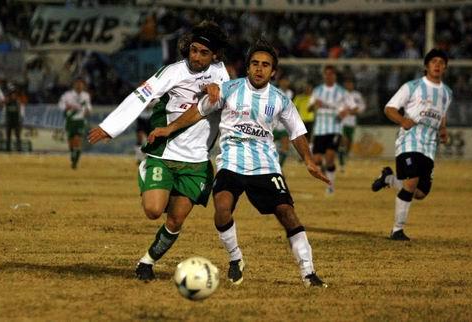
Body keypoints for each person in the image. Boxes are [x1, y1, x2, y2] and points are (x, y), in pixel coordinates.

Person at [148, 39, 330, 288]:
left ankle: (308, 272)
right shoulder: (229, 89)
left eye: (265, 65)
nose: (259, 68)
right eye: (255, 63)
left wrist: (309, 161)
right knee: (222, 208)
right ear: (247, 68)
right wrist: (169, 128)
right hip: (231, 162)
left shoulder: (280, 100)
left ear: (273, 71)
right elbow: (198, 110)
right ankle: (235, 259)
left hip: (265, 165)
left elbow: (297, 132)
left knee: (287, 213)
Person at [87, 21, 230, 281]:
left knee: (175, 221)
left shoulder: (222, 74)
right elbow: (140, 95)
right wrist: (111, 127)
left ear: (215, 55)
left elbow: (227, 105)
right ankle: (147, 169)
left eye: (203, 53)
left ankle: (146, 262)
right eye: (193, 50)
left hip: (197, 162)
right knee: (154, 210)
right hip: (164, 154)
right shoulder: (173, 72)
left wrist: (218, 97)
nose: (196, 56)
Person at [371, 49, 452, 241]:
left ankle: (389, 179)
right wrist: (402, 120)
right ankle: (397, 230)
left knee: (420, 192)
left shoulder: (447, 93)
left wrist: (443, 130)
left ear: (445, 67)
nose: (437, 65)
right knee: (411, 180)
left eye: (441, 62)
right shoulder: (412, 86)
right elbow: (389, 108)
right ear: (426, 66)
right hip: (409, 140)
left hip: (430, 146)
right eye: (434, 61)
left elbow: (442, 115)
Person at [309, 65, 350, 195]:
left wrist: (346, 111)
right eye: (326, 74)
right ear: (324, 75)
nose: (328, 76)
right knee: (316, 161)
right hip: (320, 129)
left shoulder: (342, 92)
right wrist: (314, 105)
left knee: (330, 157)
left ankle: (330, 186)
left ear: (335, 76)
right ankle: (327, 172)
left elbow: (353, 107)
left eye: (331, 74)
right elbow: (309, 108)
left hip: (335, 128)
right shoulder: (317, 91)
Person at [58, 77, 92, 169]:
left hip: (80, 120)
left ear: (83, 86)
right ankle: (73, 156)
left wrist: (87, 111)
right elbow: (61, 104)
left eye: (81, 84)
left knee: (77, 139)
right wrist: (66, 108)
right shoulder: (67, 95)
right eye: (77, 84)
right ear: (74, 85)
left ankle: (75, 162)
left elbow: (88, 106)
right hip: (70, 120)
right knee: (70, 142)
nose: (79, 86)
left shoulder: (86, 96)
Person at [338, 78, 366, 171]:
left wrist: (355, 111)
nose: (349, 85)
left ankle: (345, 156)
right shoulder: (340, 94)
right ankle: (341, 162)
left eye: (350, 83)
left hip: (352, 121)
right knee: (343, 140)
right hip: (341, 121)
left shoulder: (357, 95)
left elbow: (362, 106)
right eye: (347, 83)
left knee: (349, 141)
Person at [273, 77, 293, 166]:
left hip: (285, 125)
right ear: (280, 82)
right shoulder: (275, 92)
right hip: (274, 124)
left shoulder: (291, 93)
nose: (285, 83)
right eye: (283, 81)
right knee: (266, 145)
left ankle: (279, 168)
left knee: (285, 148)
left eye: (286, 81)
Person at [4, 83, 26, 152]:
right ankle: (8, 148)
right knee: (8, 136)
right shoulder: (7, 103)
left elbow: (22, 113)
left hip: (16, 121)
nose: (13, 95)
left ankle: (19, 148)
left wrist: (21, 121)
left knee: (18, 136)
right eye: (12, 94)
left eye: (14, 94)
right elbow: (4, 112)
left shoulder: (18, 102)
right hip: (9, 121)